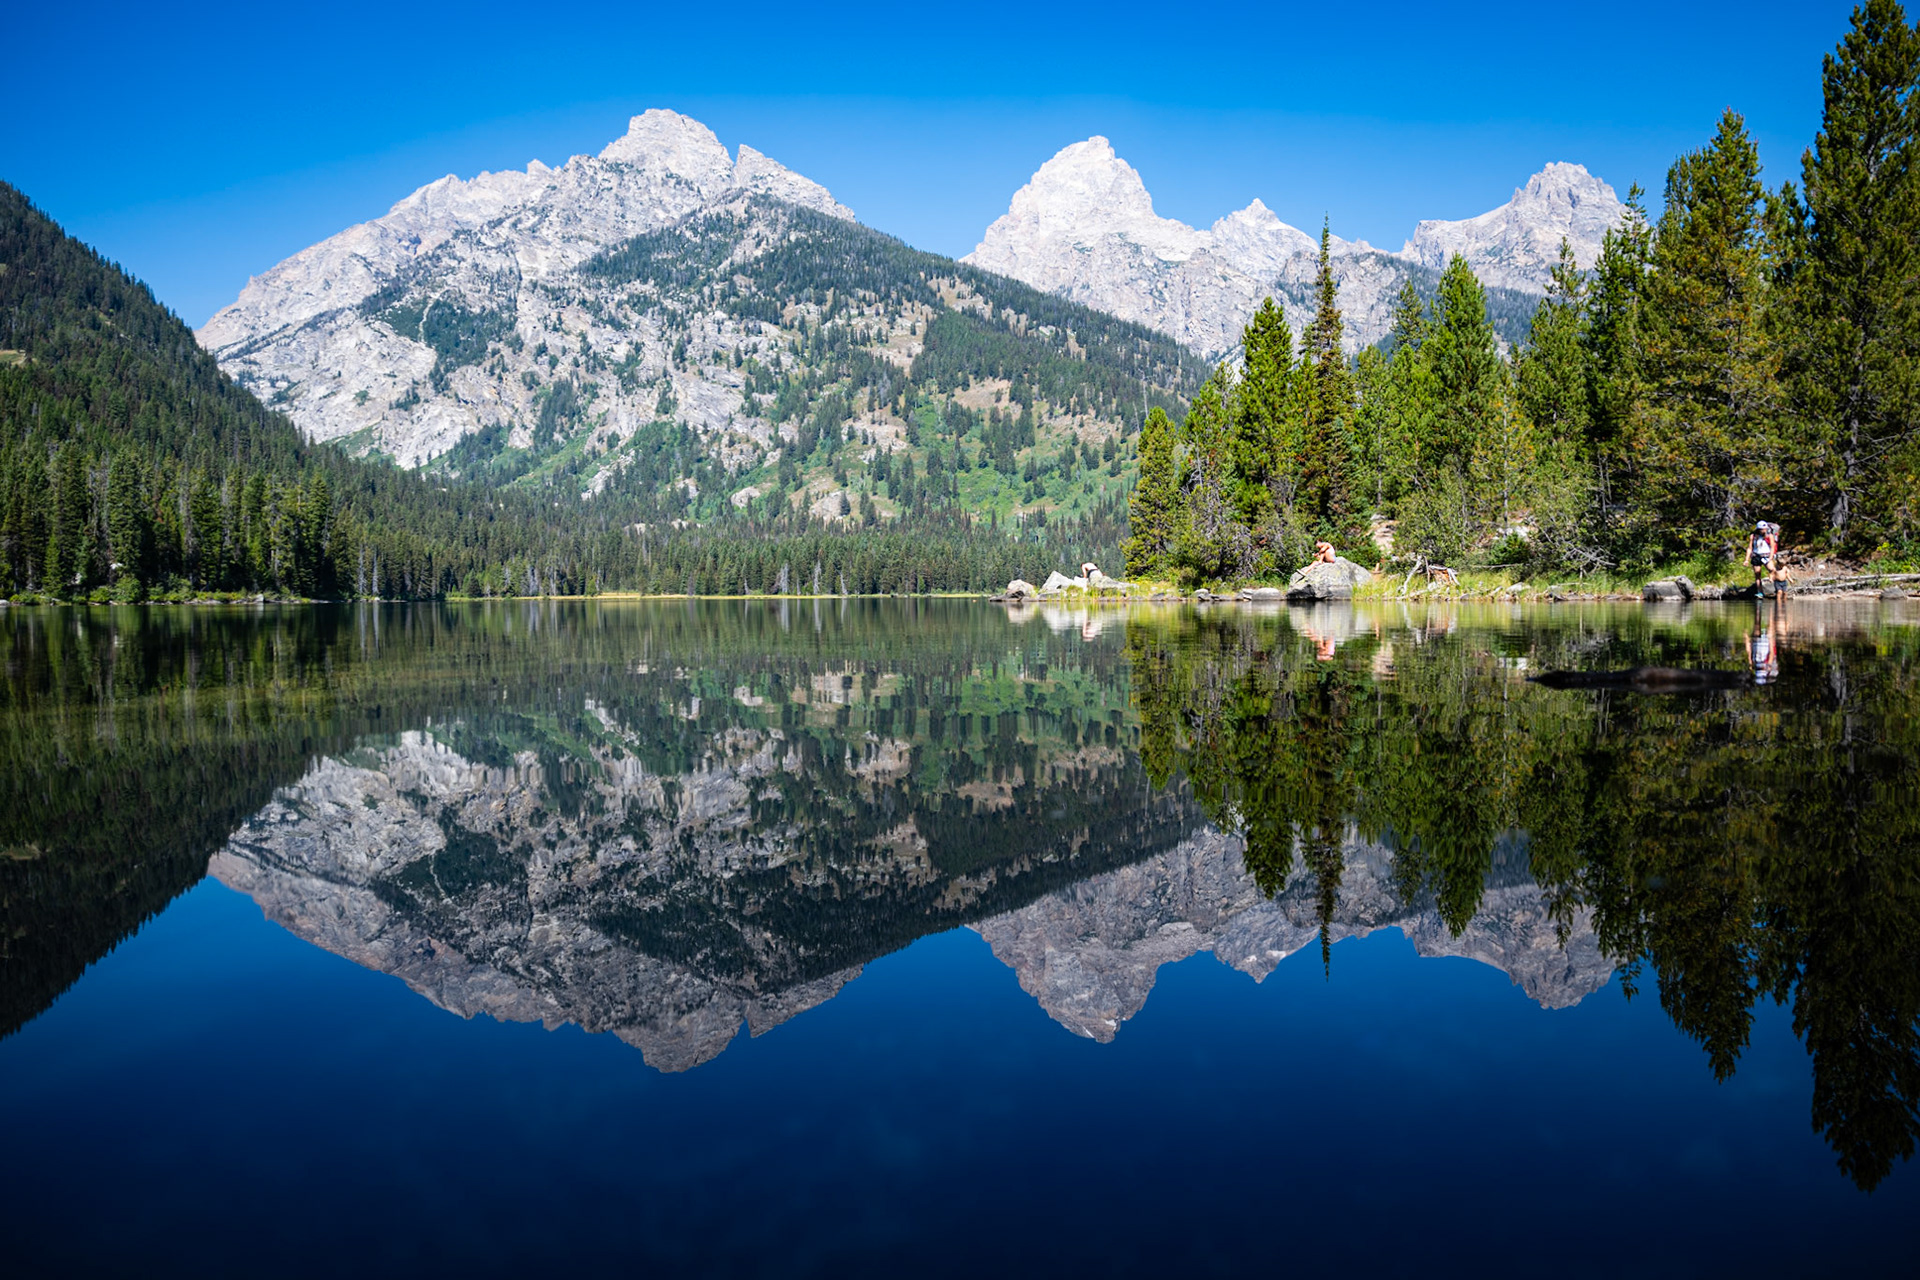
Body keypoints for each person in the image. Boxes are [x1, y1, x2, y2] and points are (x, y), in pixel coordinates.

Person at [1747, 521, 1781, 589]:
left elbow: (1772, 547)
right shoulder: (1753, 536)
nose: (1764, 530)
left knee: (1772, 570)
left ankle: (1775, 586)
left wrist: (1771, 557)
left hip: (1766, 556)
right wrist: (1746, 559)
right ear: (1758, 529)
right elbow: (1750, 548)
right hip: (1756, 556)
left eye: (1765, 529)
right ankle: (1760, 592)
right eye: (1763, 529)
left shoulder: (1769, 536)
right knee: (1757, 574)